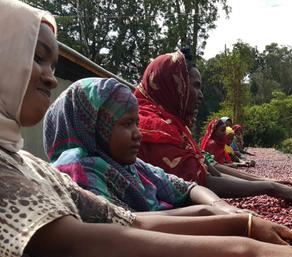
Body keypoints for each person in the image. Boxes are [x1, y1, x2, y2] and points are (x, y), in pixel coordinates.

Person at [0, 0, 292, 257]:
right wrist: (247, 253)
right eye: (37, 57)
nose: (48, 75)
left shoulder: (30, 166)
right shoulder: (65, 167)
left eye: (53, 63)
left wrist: (244, 224)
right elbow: (77, 246)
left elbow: (127, 221)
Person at [43, 77, 241, 216]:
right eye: (127, 124)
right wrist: (208, 213)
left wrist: (219, 205)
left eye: (137, 124)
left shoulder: (133, 167)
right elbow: (125, 224)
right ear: (95, 126)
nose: (139, 134)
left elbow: (186, 187)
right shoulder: (77, 170)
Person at [134, 51, 292, 203]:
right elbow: (203, 181)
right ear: (175, 85)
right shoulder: (153, 127)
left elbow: (212, 171)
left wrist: (265, 182)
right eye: (195, 86)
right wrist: (268, 187)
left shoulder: (175, 127)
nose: (200, 95)